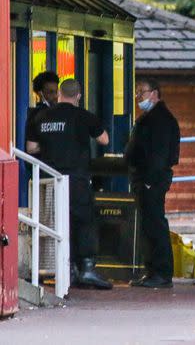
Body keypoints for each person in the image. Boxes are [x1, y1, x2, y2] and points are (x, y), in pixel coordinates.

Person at [26, 78, 113, 290]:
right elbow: (104, 140)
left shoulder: (40, 117)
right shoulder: (83, 117)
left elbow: (31, 148)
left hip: (51, 181)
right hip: (77, 180)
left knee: (57, 223)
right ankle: (87, 269)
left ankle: (67, 269)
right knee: (83, 221)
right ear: (79, 96)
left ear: (59, 94)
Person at [125, 78, 180, 289]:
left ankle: (161, 272)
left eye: (143, 92)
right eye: (137, 92)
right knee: (148, 226)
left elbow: (159, 154)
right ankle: (152, 271)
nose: (139, 97)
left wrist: (148, 181)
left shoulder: (160, 120)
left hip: (152, 181)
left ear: (155, 93)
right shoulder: (150, 118)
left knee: (155, 225)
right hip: (146, 179)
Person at [24, 71, 60, 153]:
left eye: (56, 91)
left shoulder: (62, 111)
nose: (55, 96)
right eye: (50, 92)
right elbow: (31, 149)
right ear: (40, 94)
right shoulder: (35, 115)